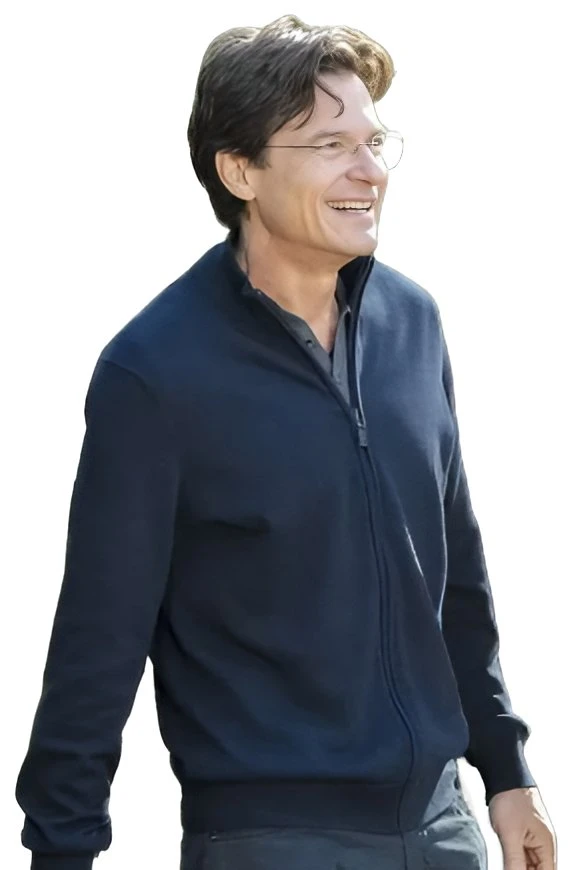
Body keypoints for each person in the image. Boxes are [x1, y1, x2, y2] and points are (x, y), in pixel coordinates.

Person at [15, 14, 556, 870]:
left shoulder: (413, 324)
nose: (369, 171)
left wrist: (506, 771)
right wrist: (62, 851)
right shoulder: (154, 373)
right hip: (273, 840)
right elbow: (98, 642)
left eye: (374, 142)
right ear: (240, 170)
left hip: (443, 830)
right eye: (330, 144)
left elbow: (455, 575)